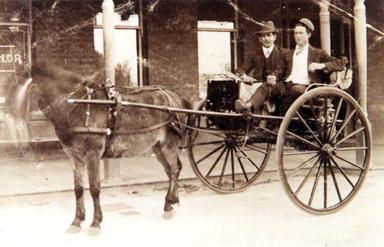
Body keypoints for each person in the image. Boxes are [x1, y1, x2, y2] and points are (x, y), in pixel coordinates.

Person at [236, 18, 344, 113]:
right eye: (295, 33)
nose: (297, 36)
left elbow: (340, 64)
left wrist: (322, 66)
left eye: (301, 33)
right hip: (286, 85)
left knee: (294, 91)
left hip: (305, 87)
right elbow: (280, 70)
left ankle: (283, 124)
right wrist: (274, 76)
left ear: (308, 35)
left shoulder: (318, 53)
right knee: (266, 86)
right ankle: (248, 106)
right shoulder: (288, 54)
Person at [235, 20, 286, 114]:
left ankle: (248, 108)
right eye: (263, 36)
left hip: (276, 87)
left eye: (269, 35)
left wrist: (274, 77)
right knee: (242, 87)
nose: (266, 39)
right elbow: (241, 69)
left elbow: (282, 70)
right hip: (258, 86)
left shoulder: (282, 53)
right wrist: (244, 76)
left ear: (274, 37)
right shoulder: (255, 54)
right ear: (260, 39)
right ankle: (244, 112)